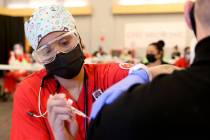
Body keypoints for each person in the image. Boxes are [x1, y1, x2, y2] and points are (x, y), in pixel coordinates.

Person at [10, 5, 174, 140]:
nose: (58, 52)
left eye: (65, 41)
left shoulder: (106, 75)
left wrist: (141, 75)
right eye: (46, 51)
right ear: (39, 57)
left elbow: (171, 71)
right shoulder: (31, 93)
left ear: (79, 40)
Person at [88, 0, 210, 139]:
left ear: (188, 15)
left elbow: (98, 127)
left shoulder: (144, 103)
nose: (149, 54)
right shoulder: (145, 68)